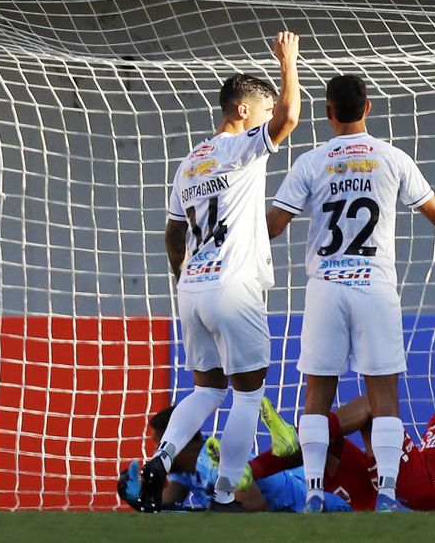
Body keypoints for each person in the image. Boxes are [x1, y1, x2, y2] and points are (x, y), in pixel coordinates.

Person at [135, 31, 302, 513]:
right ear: (245, 112)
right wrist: (288, 61)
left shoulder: (189, 163)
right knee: (248, 396)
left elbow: (171, 234)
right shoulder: (240, 148)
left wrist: (185, 277)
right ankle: (227, 490)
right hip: (235, 285)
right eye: (263, 112)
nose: (271, 122)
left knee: (206, 391)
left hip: (193, 287)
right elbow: (290, 115)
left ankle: (161, 460)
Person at [266, 74, 435, 511]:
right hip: (374, 286)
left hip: (326, 286)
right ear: (367, 108)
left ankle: (312, 492)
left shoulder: (310, 162)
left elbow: (273, 225)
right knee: (384, 397)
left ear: (327, 111)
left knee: (317, 394)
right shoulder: (393, 158)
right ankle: (386, 493)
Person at [251, 354, 435, 511]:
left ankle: (296, 434)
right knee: (326, 444)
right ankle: (248, 471)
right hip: (393, 486)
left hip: (427, 489)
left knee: (373, 404)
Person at [117, 405, 351, 512]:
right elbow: (167, 506)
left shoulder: (212, 461)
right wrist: (141, 498)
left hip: (319, 511)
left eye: (161, 445)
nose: (159, 453)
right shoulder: (182, 470)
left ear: (182, 441)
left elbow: (254, 505)